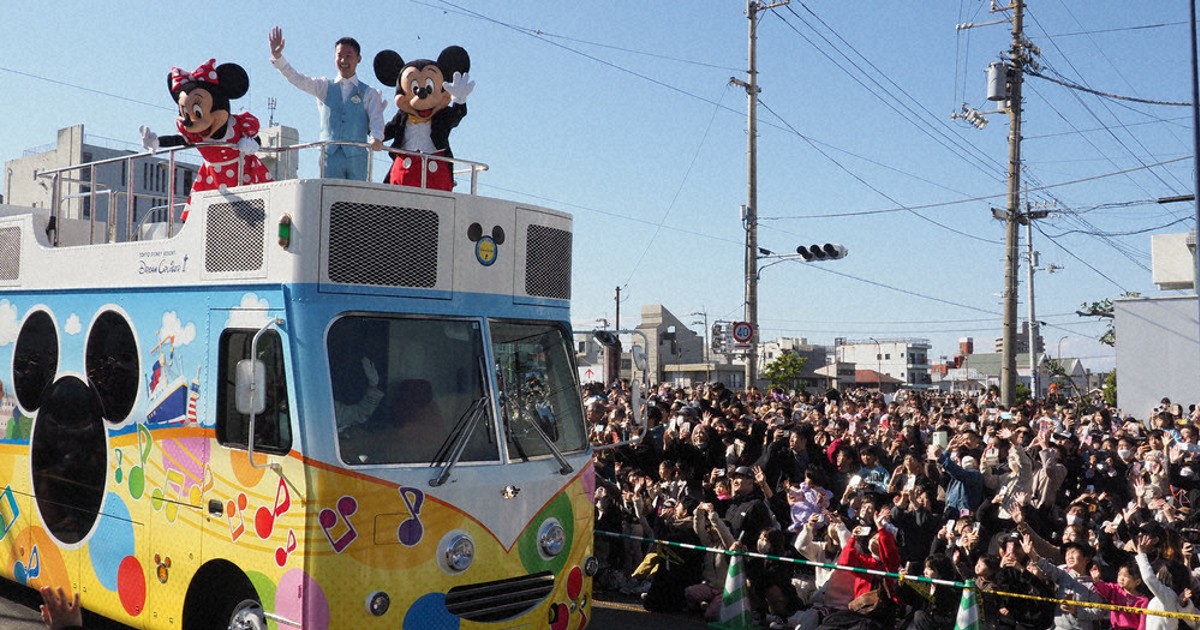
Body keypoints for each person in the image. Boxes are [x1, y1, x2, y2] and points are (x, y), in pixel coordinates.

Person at [268, 27, 385, 180]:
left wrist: (377, 138)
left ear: (358, 59)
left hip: (357, 157)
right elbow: (298, 79)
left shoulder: (370, 93)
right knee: (329, 197)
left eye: (348, 56)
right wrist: (278, 57)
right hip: (329, 156)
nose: (343, 61)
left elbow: (377, 119)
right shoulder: (324, 86)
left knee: (356, 199)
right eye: (339, 56)